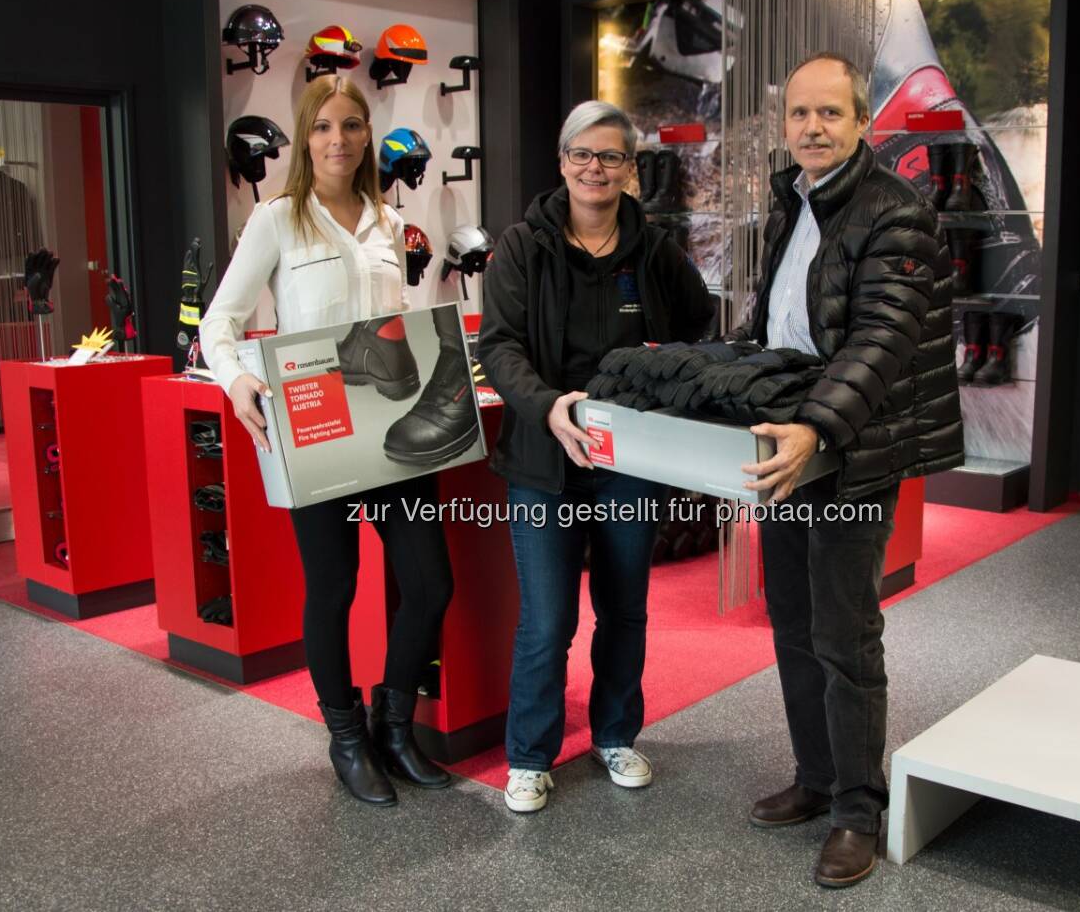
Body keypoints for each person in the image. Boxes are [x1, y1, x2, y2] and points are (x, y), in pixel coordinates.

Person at [727, 53, 960, 888]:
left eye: (830, 113)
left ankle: (860, 809)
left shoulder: (896, 212)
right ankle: (817, 777)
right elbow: (780, 322)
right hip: (790, 448)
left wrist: (815, 427)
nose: (813, 127)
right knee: (793, 622)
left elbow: (880, 341)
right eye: (800, 114)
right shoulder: (793, 202)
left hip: (852, 451)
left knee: (846, 636)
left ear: (863, 121)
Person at [199, 75, 455, 807]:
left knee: (430, 583)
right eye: (321, 127)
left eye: (349, 125)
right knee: (335, 587)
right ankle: (346, 739)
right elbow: (220, 321)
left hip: (393, 423)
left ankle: (393, 727)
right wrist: (237, 381)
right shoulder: (278, 219)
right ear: (305, 138)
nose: (336, 139)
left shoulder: (387, 219)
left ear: (367, 135)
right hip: (318, 428)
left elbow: (397, 318)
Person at [477, 100, 715, 813]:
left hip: (630, 460)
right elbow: (499, 346)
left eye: (611, 156)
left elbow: (697, 320)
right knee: (548, 619)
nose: (595, 168)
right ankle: (530, 755)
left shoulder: (654, 251)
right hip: (543, 457)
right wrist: (548, 405)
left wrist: (659, 377)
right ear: (562, 162)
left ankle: (615, 735)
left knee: (624, 607)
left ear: (630, 169)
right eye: (582, 153)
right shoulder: (522, 247)